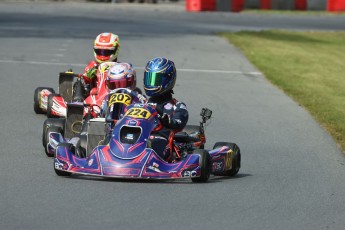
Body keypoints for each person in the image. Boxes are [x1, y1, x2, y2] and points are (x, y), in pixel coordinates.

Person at [143, 57, 188, 161]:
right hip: (140, 137)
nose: (151, 83)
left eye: (156, 79)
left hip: (161, 140)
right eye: (149, 78)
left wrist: (167, 121)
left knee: (153, 144)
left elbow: (179, 123)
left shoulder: (177, 106)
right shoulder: (143, 103)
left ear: (168, 79)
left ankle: (148, 162)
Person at [73, 32, 121, 100]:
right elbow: (85, 80)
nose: (102, 54)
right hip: (93, 98)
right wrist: (88, 75)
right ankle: (77, 101)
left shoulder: (120, 67)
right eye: (99, 51)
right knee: (79, 81)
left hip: (114, 98)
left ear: (116, 49)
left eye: (106, 52)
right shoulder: (92, 65)